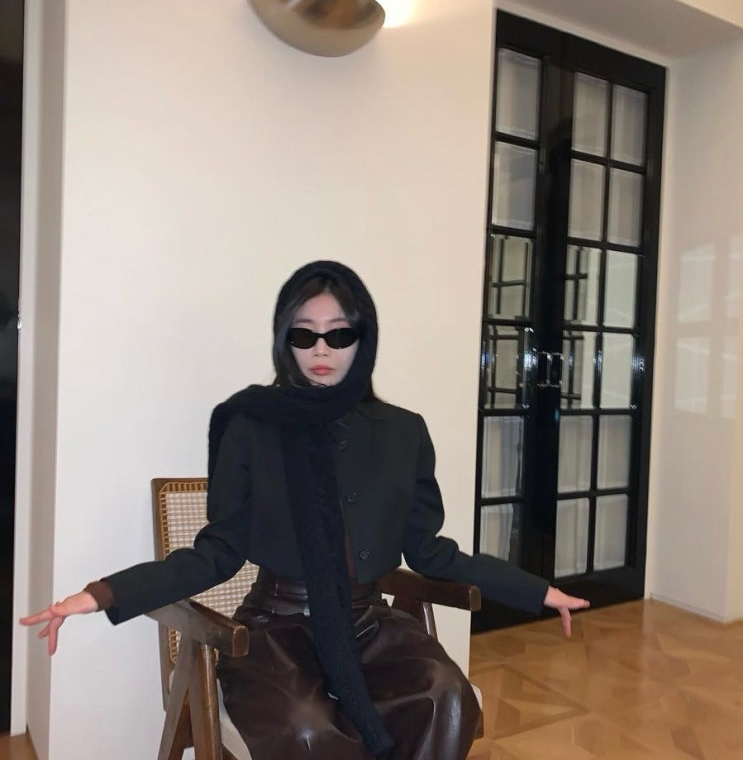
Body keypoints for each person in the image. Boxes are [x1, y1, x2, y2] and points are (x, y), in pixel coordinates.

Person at [22, 260, 589, 760]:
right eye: (304, 334)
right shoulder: (250, 425)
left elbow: (431, 553)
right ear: (284, 341)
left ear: (363, 340)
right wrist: (101, 595)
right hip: (276, 630)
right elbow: (216, 555)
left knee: (447, 696)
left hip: (369, 624)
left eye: (339, 334)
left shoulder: (402, 432)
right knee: (308, 729)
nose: (321, 350)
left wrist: (534, 590)